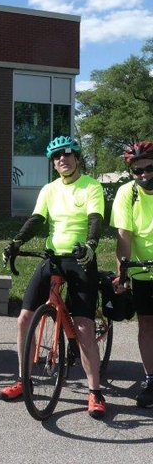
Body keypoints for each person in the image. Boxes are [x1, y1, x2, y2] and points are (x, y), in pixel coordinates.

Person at [0, 135, 106, 418]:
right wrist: (17, 242)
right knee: (25, 318)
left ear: (77, 157)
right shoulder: (49, 189)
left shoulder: (91, 186)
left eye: (67, 154)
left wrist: (91, 245)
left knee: (83, 326)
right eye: (56, 156)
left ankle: (95, 391)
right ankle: (24, 379)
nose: (62, 159)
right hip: (53, 257)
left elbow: (96, 219)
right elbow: (37, 220)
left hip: (81, 257)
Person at [110, 141, 153, 408]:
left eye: (149, 168)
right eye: (138, 171)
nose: (144, 175)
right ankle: (151, 378)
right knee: (147, 324)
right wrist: (122, 272)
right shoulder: (128, 193)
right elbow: (123, 237)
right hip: (143, 268)